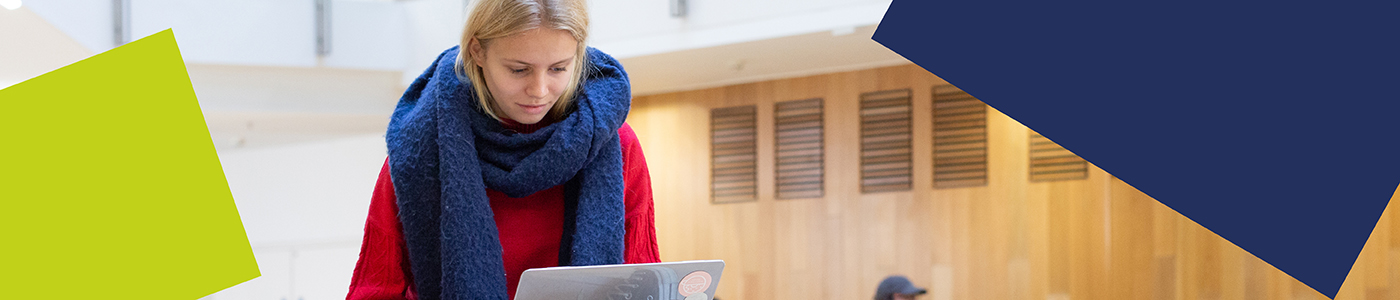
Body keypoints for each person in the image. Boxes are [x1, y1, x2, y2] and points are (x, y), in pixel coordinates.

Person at [344, 0, 660, 299]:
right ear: (477, 51)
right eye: (519, 70)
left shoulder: (615, 143)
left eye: (558, 69)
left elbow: (642, 281)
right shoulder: (420, 142)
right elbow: (378, 286)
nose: (539, 90)